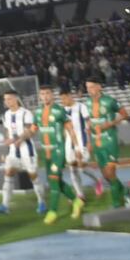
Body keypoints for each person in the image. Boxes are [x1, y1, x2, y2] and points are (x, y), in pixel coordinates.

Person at [30, 85, 84, 224]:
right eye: (42, 94)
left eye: (48, 93)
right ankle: (76, 201)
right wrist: (19, 138)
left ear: (52, 95)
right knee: (55, 181)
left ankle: (52, 211)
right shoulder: (37, 112)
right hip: (45, 151)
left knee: (53, 180)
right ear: (40, 96)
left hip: (58, 150)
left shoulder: (59, 111)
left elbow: (70, 130)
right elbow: (33, 129)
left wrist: (77, 147)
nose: (45, 96)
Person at [0, 90, 47, 214]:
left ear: (16, 99)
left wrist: (18, 139)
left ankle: (41, 202)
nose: (6, 101)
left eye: (9, 99)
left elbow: (29, 132)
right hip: (13, 152)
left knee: (33, 177)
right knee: (8, 175)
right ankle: (5, 205)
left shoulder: (26, 113)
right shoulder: (6, 115)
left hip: (27, 151)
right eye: (5, 99)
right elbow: (8, 130)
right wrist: (8, 139)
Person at [85, 76, 130, 208]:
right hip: (96, 142)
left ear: (99, 87)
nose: (89, 90)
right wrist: (89, 142)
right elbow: (89, 122)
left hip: (110, 141)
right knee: (106, 176)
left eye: (92, 86)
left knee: (111, 173)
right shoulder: (87, 103)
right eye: (87, 87)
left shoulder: (110, 101)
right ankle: (125, 191)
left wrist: (110, 123)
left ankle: (117, 204)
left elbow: (125, 114)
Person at [60, 88, 94, 200]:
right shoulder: (63, 110)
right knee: (72, 168)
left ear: (70, 96)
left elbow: (88, 124)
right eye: (61, 98)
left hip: (82, 140)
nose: (63, 100)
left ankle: (97, 180)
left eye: (64, 98)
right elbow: (64, 128)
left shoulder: (81, 107)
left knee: (82, 168)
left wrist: (89, 141)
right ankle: (80, 194)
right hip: (69, 142)